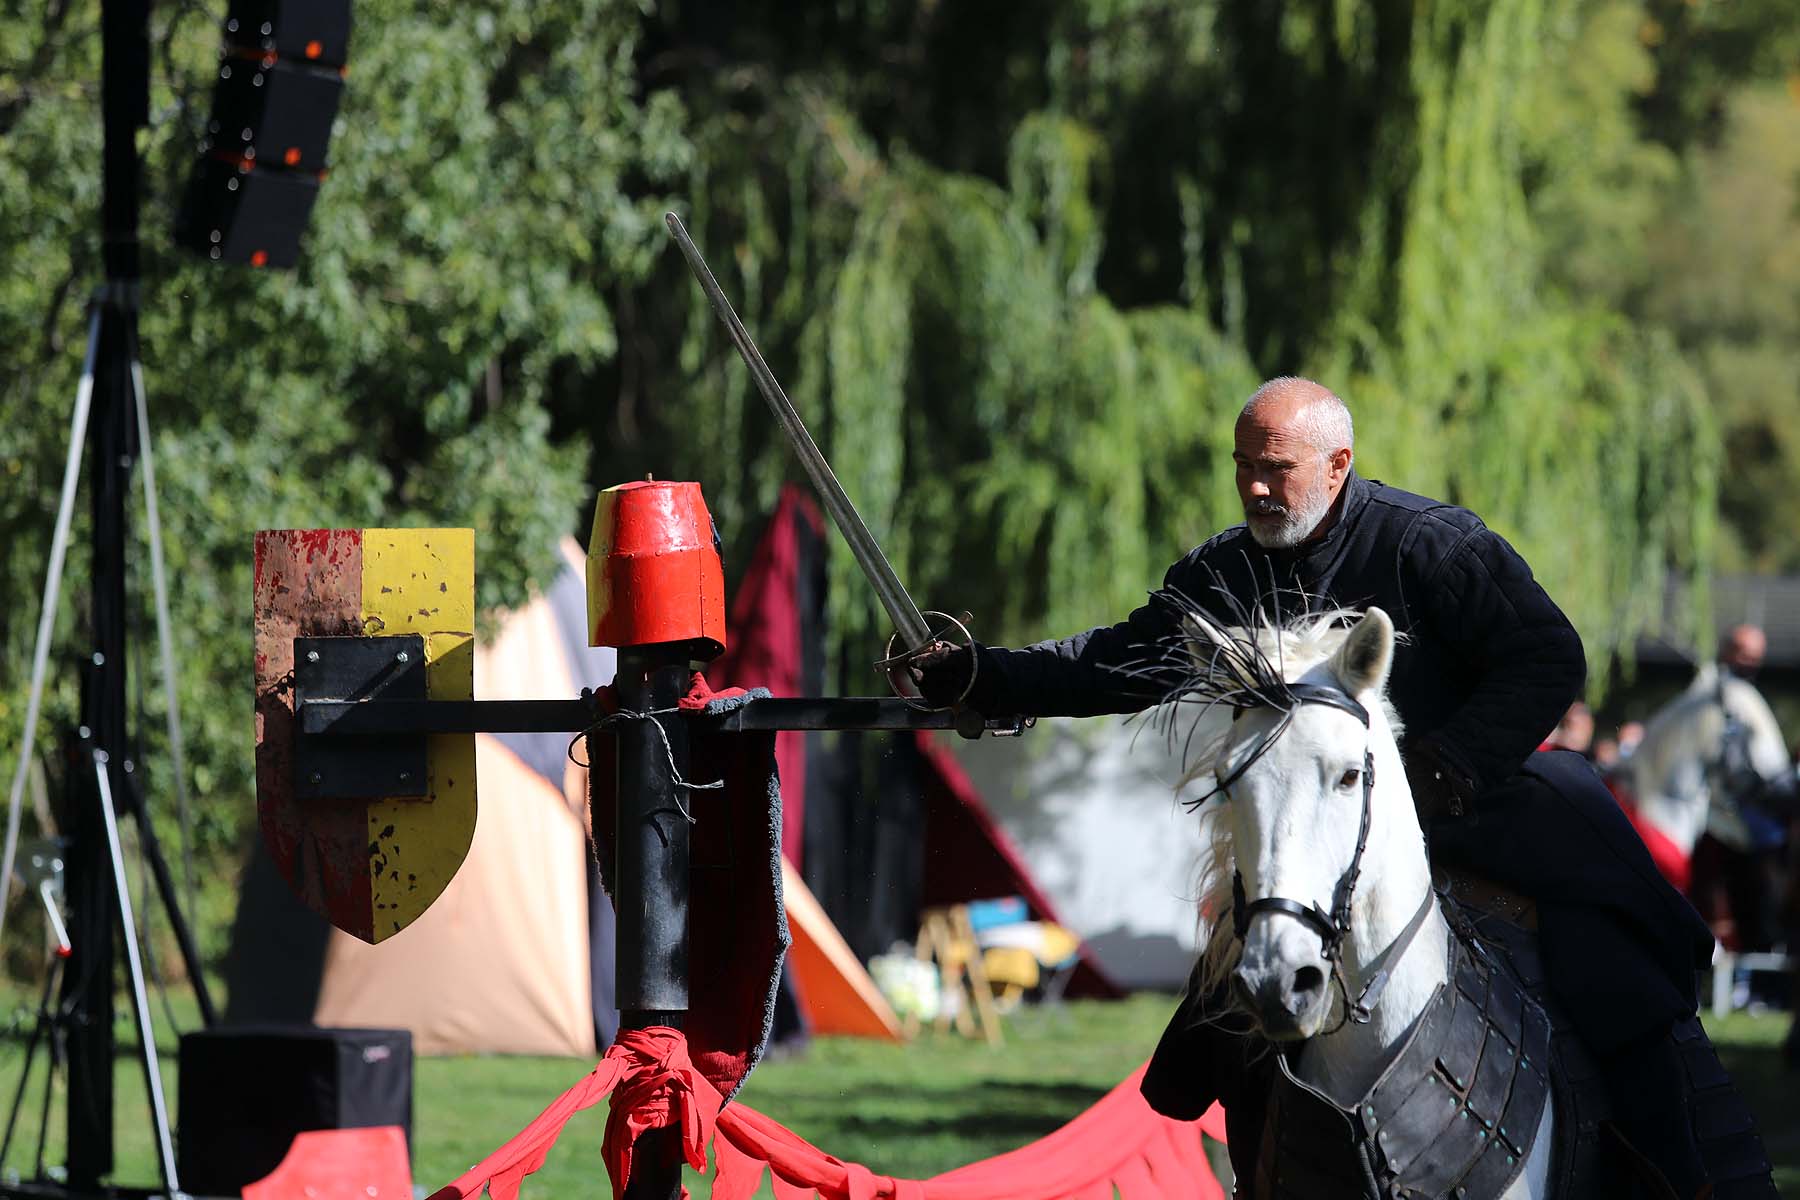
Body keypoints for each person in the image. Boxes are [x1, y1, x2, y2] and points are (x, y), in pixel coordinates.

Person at [915, 377, 1721, 1195]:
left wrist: (1440, 770)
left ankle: (1684, 1173)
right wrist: (985, 677)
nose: (1258, 487)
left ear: (1338, 464)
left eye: (1278, 467)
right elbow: (1116, 662)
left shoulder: (1434, 546)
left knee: (1623, 973)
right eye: (1244, 467)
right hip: (1312, 838)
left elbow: (1548, 656)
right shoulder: (1223, 571)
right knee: (1227, 1022)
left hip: (1475, 801)